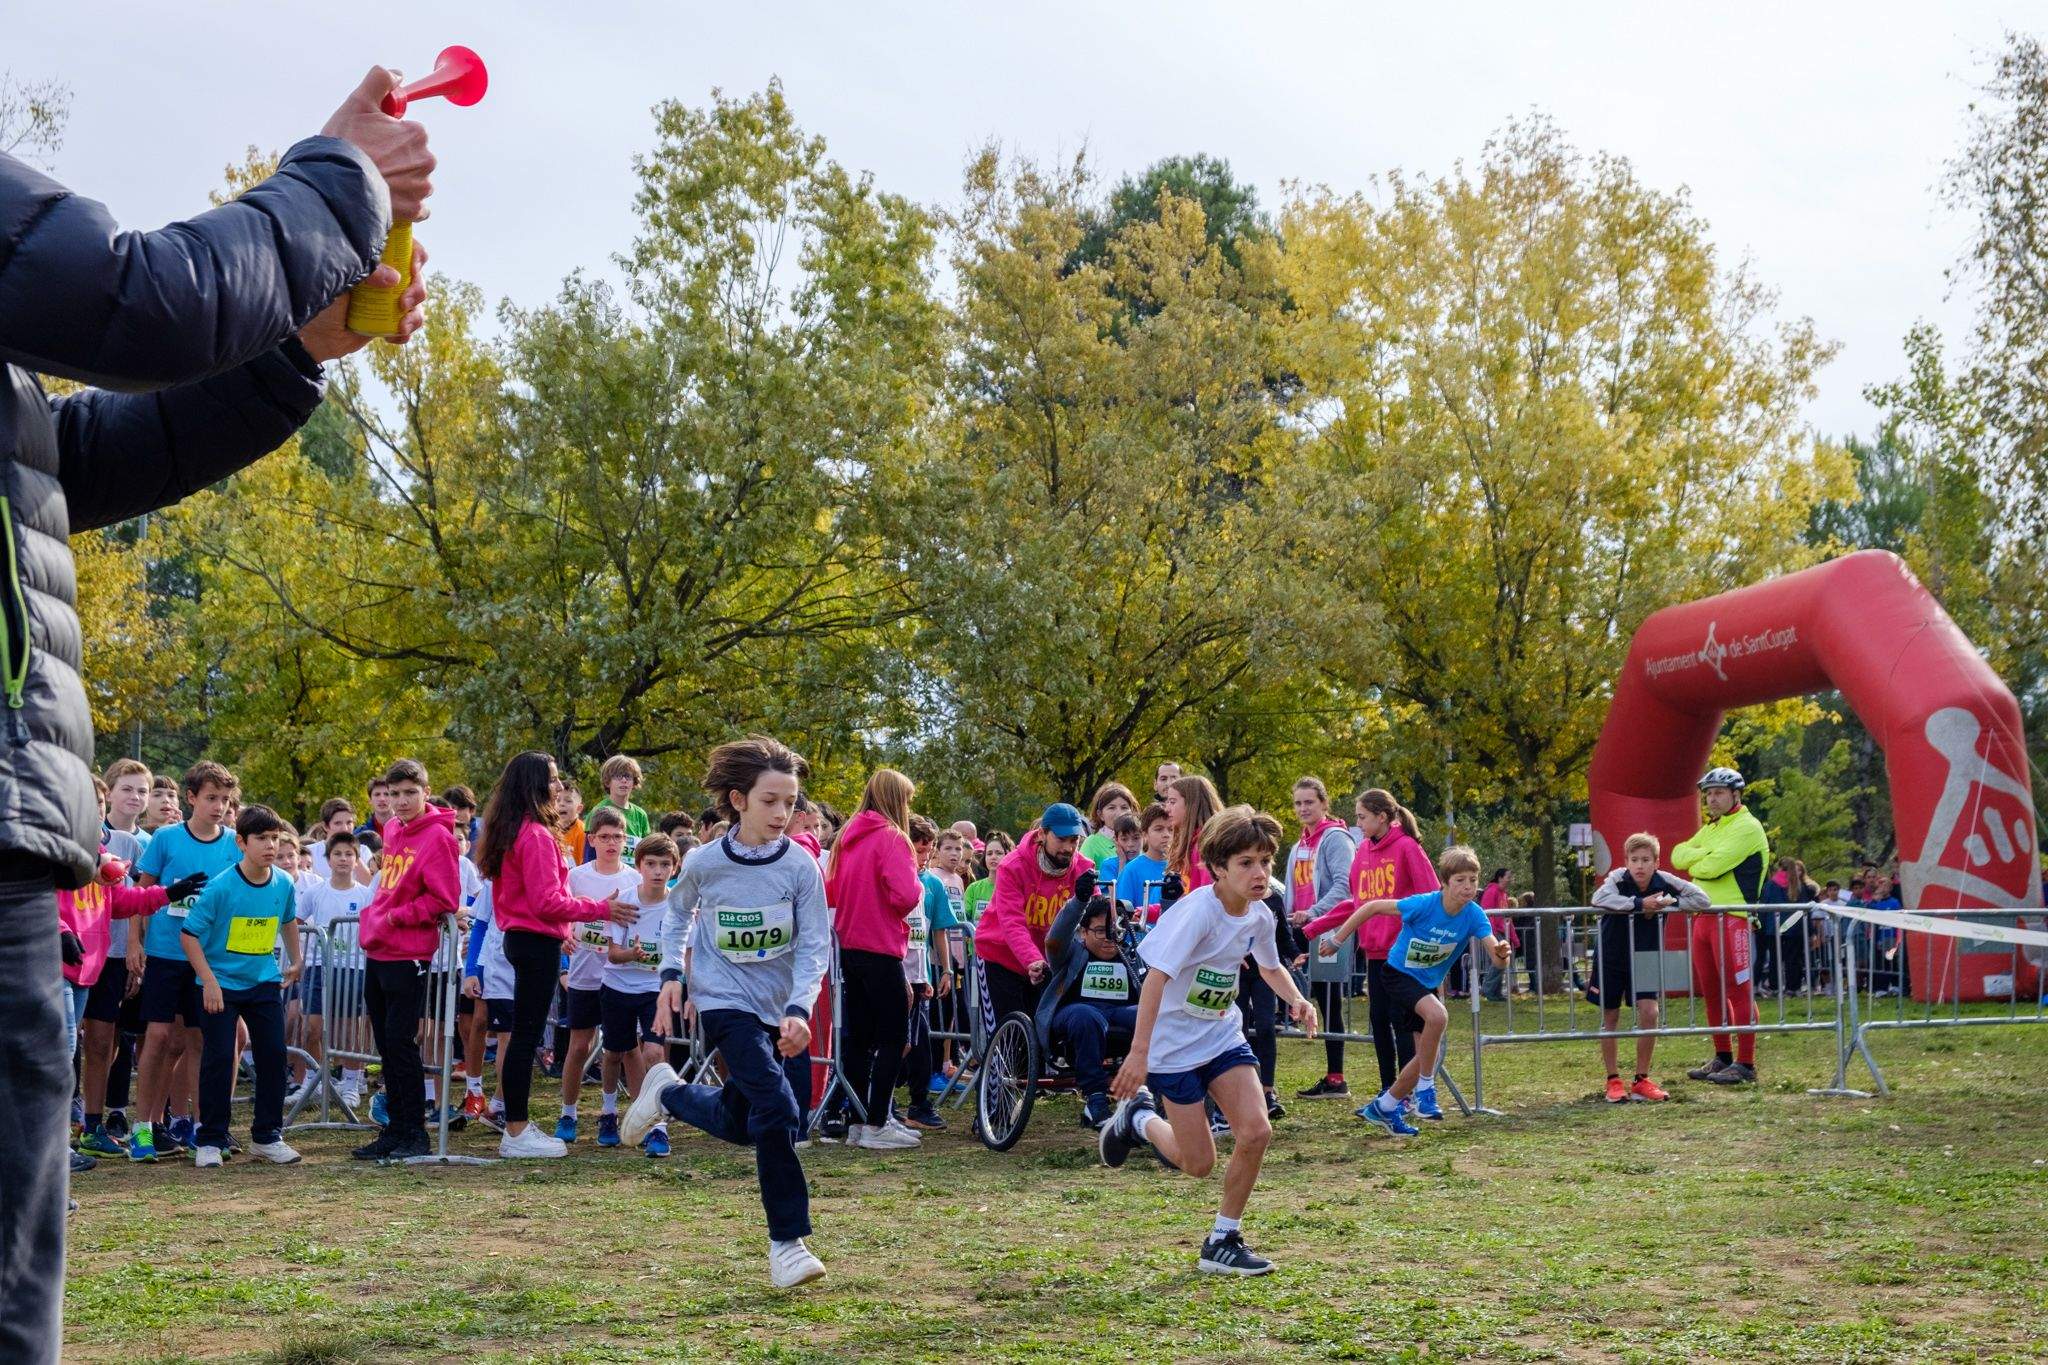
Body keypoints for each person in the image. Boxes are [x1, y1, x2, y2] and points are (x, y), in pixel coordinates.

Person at [629, 735, 831, 1290]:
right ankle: (787, 1244)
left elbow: (815, 944)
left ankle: (667, 1093)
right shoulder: (705, 861)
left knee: (749, 1123)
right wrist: (672, 973)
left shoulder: (800, 866)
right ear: (738, 800)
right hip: (720, 1000)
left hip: (776, 1009)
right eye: (770, 800)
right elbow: (677, 916)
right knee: (780, 1106)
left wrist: (798, 1009)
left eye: (790, 802)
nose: (782, 813)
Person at [1098, 806, 1317, 1276]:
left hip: (1221, 1035)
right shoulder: (1197, 912)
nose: (1260, 874)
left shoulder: (1259, 914)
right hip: (1174, 1048)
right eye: (1246, 863)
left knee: (1257, 1131)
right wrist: (1139, 1055)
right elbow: (1155, 979)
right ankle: (1137, 1119)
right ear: (1218, 867)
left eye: (1265, 862)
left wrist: (1297, 1000)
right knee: (1197, 1163)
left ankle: (1223, 1238)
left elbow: (1269, 965)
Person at [477, 753, 628, 1158]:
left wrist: (561, 926)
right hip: (534, 943)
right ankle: (516, 1130)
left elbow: (533, 900)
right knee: (525, 1037)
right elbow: (548, 901)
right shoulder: (538, 835)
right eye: (555, 779)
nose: (560, 787)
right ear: (535, 785)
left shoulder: (512, 831)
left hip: (526, 938)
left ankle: (516, 1124)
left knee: (522, 1036)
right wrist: (600, 908)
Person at [1336, 845, 1510, 1137]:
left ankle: (1385, 1107)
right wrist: (1338, 939)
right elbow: (1372, 906)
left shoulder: (1474, 915)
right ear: (1445, 882)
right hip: (1397, 974)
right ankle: (1425, 1093)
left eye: (1473, 880)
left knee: (1425, 1055)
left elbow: (1496, 958)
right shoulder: (1425, 904)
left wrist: (1502, 953)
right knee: (1439, 1018)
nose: (1468, 887)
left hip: (1426, 985)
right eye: (1460, 880)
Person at [128, 762, 247, 1162]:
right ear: (192, 797)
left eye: (225, 800)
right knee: (159, 1039)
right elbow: (139, 895)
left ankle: (205, 1127)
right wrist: (134, 943)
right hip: (164, 954)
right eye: (211, 798)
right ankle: (143, 1127)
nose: (218, 806)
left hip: (209, 963)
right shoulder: (165, 838)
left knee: (203, 1041)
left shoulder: (234, 843)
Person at [177, 805, 306, 1167]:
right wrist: (210, 982)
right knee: (218, 1057)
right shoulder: (221, 887)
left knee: (273, 1055)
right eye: (261, 839)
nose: (269, 846)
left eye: (274, 838)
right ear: (241, 842)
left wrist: (296, 959)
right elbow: (189, 936)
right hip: (220, 983)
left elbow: (288, 919)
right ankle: (210, 1140)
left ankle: (267, 1136)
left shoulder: (284, 881)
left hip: (263, 981)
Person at [1301, 789, 1440, 1111]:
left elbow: (1430, 897)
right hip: (1375, 952)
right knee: (1378, 1020)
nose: (1358, 823)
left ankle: (1406, 1094)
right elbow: (1357, 903)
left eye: (1362, 816)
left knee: (1402, 1023)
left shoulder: (1407, 848)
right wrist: (1314, 926)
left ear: (1382, 817)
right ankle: (1387, 1090)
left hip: (1404, 953)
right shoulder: (1362, 852)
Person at [353, 760, 461, 1162]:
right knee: (385, 1042)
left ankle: (414, 1131)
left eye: (408, 793)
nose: (400, 802)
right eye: (394, 793)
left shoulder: (438, 837)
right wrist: (381, 916)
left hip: (409, 952)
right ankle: (394, 1128)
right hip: (378, 947)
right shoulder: (394, 829)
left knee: (401, 1041)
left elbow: (445, 899)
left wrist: (399, 915)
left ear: (425, 792)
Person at [825, 769, 925, 1150]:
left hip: (850, 945)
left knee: (860, 1039)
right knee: (892, 1036)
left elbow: (831, 890)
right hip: (881, 945)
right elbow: (905, 895)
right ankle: (878, 1122)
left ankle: (857, 1120)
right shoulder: (892, 838)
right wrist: (914, 879)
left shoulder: (846, 838)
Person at [1589, 835, 1709, 1103]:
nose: (1639, 866)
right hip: (1612, 954)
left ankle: (1641, 1080)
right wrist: (1641, 904)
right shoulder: (1618, 878)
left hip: (1646, 955)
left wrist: (1667, 903)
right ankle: (1613, 1080)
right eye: (1634, 860)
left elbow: (1703, 900)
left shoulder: (1665, 880)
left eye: (1645, 860)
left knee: (1650, 1011)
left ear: (1656, 862)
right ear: (1626, 862)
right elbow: (1599, 898)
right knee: (1610, 1017)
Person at [1670, 766, 1770, 1086]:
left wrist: (1700, 859)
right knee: (1711, 992)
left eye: (1719, 793)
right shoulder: (1713, 827)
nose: (1712, 800)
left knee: (1738, 991)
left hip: (1733, 918)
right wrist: (1704, 856)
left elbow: (1711, 868)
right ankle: (1722, 1056)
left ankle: (1746, 1063)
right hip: (1703, 918)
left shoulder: (1748, 826)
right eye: (1709, 794)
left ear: (1735, 795)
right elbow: (1677, 855)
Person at [974, 805, 1096, 1031]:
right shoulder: (1012, 866)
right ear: (1042, 834)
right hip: (1000, 956)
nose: (1069, 848)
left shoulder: (1084, 870)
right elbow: (1012, 922)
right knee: (1008, 1036)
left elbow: (1095, 917)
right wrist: (1031, 959)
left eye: (1074, 840)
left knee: (1040, 1033)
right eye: (1061, 839)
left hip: (1048, 961)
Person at [561, 807, 642, 1142]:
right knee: (579, 1046)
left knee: (622, 1048)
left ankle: (626, 1115)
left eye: (617, 837)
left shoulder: (634, 879)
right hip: (584, 973)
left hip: (622, 977)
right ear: (591, 839)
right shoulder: (577, 876)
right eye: (604, 836)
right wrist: (564, 936)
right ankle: (568, 1114)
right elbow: (561, 912)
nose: (611, 843)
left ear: (625, 842)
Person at [1036, 887, 1143, 1128]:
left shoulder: (1132, 953)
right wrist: (1079, 901)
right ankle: (1095, 1099)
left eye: (1115, 930)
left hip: (1119, 1016)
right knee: (1088, 1015)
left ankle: (1150, 1096)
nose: (1109, 937)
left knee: (1149, 1018)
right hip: (1075, 1016)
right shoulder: (1072, 952)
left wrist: (1168, 898)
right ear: (1083, 932)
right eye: (1100, 931)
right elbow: (1056, 937)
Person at [601, 832, 675, 1156]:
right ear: (639, 866)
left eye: (665, 864)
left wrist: (683, 985)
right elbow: (612, 954)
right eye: (651, 864)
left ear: (675, 867)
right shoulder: (625, 901)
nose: (658, 871)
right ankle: (607, 1112)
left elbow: (685, 953)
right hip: (617, 985)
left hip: (654, 990)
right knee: (614, 1054)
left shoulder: (678, 906)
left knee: (654, 1053)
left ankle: (658, 1127)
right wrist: (632, 955)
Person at [1284, 777, 1358, 1099]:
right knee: (1305, 996)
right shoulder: (1299, 844)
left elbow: (1344, 887)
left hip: (1328, 931)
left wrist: (1313, 913)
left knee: (1330, 1004)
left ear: (1324, 804)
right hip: (1300, 930)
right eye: (1298, 803)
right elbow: (1291, 891)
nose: (1303, 808)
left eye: (1309, 802)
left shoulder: (1335, 839)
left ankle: (1336, 1078)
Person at [290, 829, 370, 1104]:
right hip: (318, 967)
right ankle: (313, 1081)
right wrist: (297, 957)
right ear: (328, 858)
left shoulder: (365, 895)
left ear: (357, 859)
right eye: (337, 854)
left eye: (349, 854)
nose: (343, 859)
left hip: (353, 969)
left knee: (349, 1028)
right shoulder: (315, 892)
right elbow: (295, 923)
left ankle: (350, 1084)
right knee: (312, 1027)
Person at [1164, 775, 1223, 895]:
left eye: (1172, 802)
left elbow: (1209, 895)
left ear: (1192, 804)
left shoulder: (1204, 844)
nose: (1167, 809)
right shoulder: (1194, 842)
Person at [1115, 804, 1173, 917]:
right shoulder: (1131, 870)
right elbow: (1123, 915)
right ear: (1145, 834)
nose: (1166, 835)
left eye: (1171, 829)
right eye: (1159, 829)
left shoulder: (1180, 867)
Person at [1478, 869, 1518, 1001]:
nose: (1510, 879)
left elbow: (1507, 917)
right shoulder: (1492, 891)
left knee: (1502, 961)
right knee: (1499, 960)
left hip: (1501, 931)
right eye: (1508, 876)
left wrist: (1513, 937)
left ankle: (1496, 992)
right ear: (1500, 878)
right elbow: (1487, 913)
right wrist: (1491, 933)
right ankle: (1488, 989)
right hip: (1494, 932)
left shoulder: (1503, 894)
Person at [1079, 782, 1139, 868]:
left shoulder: (1141, 841)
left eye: (1124, 807)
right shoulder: (1091, 843)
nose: (1119, 813)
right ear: (1100, 815)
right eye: (1111, 808)